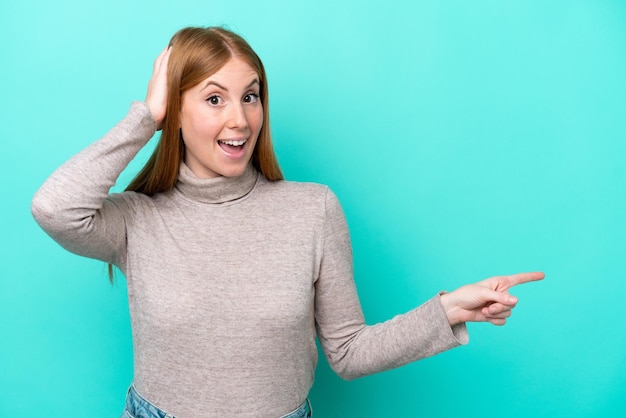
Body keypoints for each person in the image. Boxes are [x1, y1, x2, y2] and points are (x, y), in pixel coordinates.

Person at [31, 26, 544, 418]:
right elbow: (54, 208)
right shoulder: (136, 218)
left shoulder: (312, 209)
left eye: (250, 96)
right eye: (214, 99)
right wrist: (146, 116)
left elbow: (347, 352)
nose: (240, 119)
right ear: (177, 115)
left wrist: (447, 309)